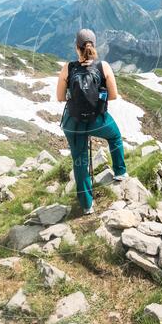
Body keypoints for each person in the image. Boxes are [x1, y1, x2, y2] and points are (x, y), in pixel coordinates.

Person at [57, 28, 127, 215]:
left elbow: (60, 98)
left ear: (76, 47)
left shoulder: (68, 68)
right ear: (94, 45)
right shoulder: (103, 66)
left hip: (74, 123)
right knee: (115, 137)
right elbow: (112, 96)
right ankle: (120, 172)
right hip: (98, 119)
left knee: (79, 160)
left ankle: (87, 205)